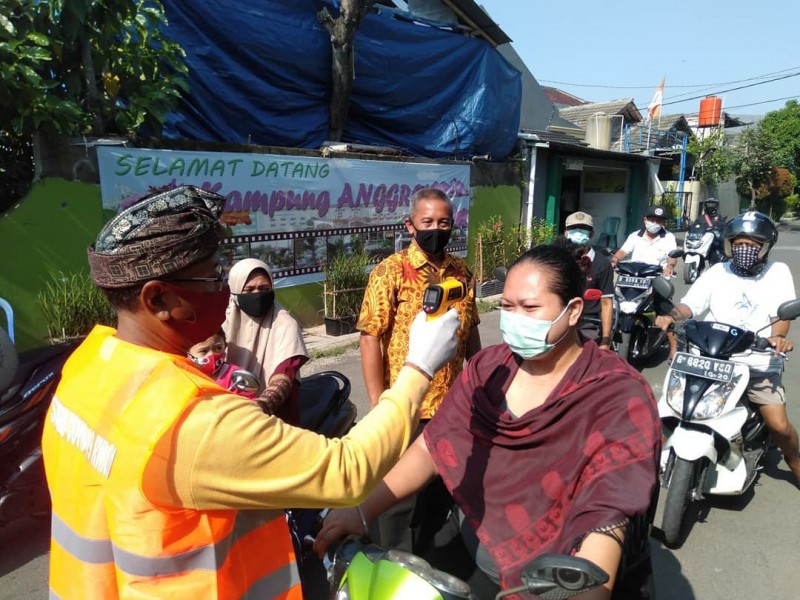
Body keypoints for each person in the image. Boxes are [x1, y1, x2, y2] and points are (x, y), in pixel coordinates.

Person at [41, 185, 462, 599]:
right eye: (212, 277)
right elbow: (347, 470)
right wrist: (419, 367)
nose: (225, 289)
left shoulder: (86, 368)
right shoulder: (190, 418)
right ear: (158, 298)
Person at [316, 244, 661, 599]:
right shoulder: (489, 368)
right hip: (471, 556)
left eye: (530, 307)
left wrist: (588, 593)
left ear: (572, 311)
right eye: (507, 307)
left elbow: (607, 515)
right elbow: (431, 449)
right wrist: (362, 510)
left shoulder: (617, 394)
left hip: (553, 586)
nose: (515, 318)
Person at [358, 186, 481, 554]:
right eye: (427, 222)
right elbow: (370, 336)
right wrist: (378, 402)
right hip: (407, 406)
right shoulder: (391, 271)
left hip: (452, 406)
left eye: (444, 222)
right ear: (410, 225)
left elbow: (470, 330)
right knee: (398, 499)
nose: (436, 229)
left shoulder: (461, 272)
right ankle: (392, 563)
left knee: (442, 489)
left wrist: (478, 382)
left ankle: (431, 559)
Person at [656, 211, 800, 484]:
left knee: (779, 426)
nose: (744, 249)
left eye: (752, 245)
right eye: (738, 243)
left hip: (757, 360)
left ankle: (796, 463)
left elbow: (781, 316)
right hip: (709, 359)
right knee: (667, 412)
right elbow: (690, 306)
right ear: (728, 244)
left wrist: (778, 338)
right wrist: (671, 316)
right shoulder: (717, 272)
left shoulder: (777, 272)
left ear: (765, 247)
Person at [223, 258, 308, 425]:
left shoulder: (285, 324)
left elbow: (284, 375)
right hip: (227, 412)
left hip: (275, 416)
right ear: (234, 291)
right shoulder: (220, 325)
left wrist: (262, 405)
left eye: (264, 289)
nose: (257, 295)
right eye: (249, 290)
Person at [562, 210, 614, 350]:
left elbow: (606, 302)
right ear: (566, 233)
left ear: (591, 234)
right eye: (573, 228)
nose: (578, 232)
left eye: (583, 228)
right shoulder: (557, 259)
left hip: (587, 323)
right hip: (558, 319)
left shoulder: (602, 264)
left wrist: (605, 341)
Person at [611, 205, 678, 277]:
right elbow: (623, 251)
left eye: (658, 221)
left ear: (662, 223)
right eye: (652, 220)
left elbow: (672, 256)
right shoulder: (634, 236)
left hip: (658, 275)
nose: (655, 223)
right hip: (635, 274)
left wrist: (670, 267)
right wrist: (615, 259)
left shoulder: (669, 237)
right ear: (645, 220)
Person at [188, 329, 256, 399]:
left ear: (225, 346)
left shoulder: (237, 376)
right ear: (188, 353)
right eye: (203, 351)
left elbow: (248, 402)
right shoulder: (185, 374)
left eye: (218, 348)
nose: (212, 354)